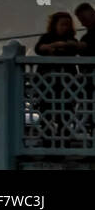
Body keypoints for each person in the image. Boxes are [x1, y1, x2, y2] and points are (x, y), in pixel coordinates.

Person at [35, 11, 83, 144]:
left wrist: (63, 46)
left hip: (66, 83)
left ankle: (64, 142)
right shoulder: (46, 38)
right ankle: (47, 141)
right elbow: (39, 49)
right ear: (55, 25)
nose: (65, 27)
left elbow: (74, 49)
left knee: (66, 114)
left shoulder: (71, 40)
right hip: (47, 83)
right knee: (47, 113)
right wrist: (53, 46)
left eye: (67, 25)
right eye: (62, 24)